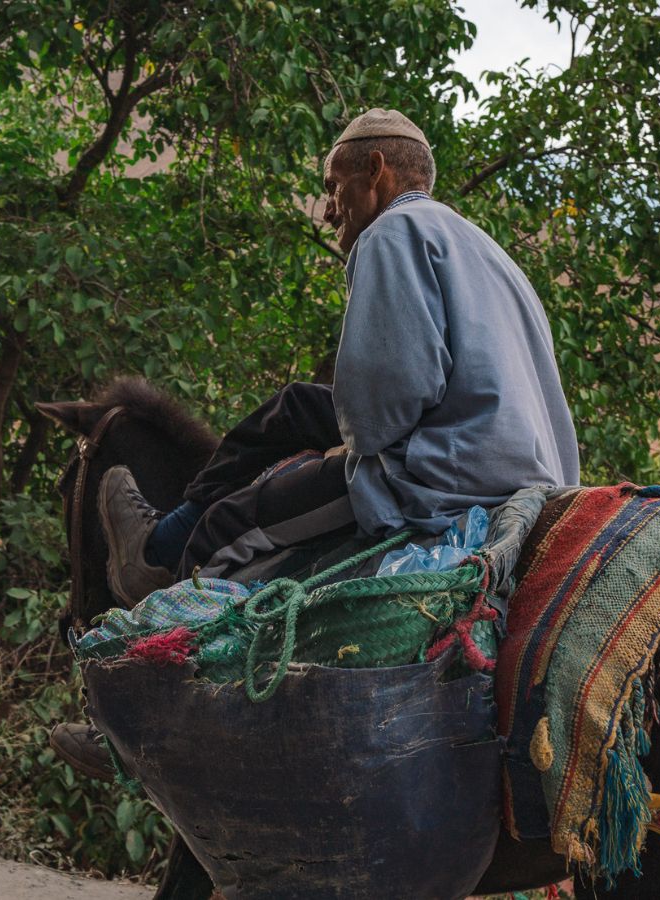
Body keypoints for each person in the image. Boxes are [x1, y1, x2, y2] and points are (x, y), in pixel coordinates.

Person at [51, 108, 579, 777]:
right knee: (299, 408)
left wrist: (351, 445)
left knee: (229, 529)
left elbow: (384, 406)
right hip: (531, 470)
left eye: (333, 188)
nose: (329, 211)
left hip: (444, 474)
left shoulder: (390, 233)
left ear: (375, 171)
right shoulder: (486, 250)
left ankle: (146, 727)